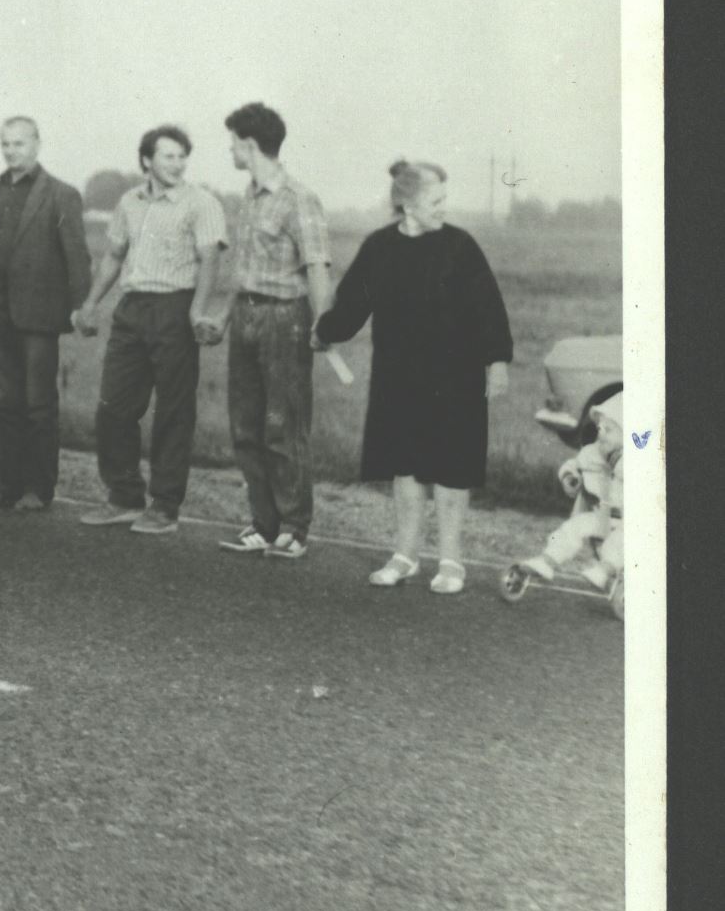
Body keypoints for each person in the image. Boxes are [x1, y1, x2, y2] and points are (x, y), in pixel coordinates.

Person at [315, 160, 513, 595]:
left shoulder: (461, 246)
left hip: (455, 375)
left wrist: (497, 361)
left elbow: (488, 310)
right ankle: (404, 556)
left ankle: (450, 561)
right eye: (435, 200)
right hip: (398, 376)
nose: (444, 207)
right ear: (406, 203)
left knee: (449, 469)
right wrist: (325, 331)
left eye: (445, 199)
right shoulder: (379, 247)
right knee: (404, 467)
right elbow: (351, 306)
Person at [74, 124, 231, 534]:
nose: (177, 164)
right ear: (147, 160)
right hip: (131, 309)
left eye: (182, 157)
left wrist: (197, 312)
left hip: (175, 308)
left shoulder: (202, 203)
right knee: (114, 407)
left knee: (173, 412)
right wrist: (91, 304)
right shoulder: (129, 201)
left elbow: (210, 261)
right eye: (168, 156)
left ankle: (164, 507)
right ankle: (124, 497)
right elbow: (113, 255)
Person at [218, 101, 334, 559]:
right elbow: (242, 270)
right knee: (246, 426)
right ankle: (263, 524)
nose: (229, 150)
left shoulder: (299, 199)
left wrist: (324, 324)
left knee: (283, 426)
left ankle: (293, 528)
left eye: (232, 143)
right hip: (245, 316)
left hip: (284, 320)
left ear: (249, 145)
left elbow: (318, 266)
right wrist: (225, 318)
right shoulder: (247, 197)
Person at [0, 117, 90, 510]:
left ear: (37, 144)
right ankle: (7, 487)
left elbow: (77, 257)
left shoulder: (61, 194)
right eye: (6, 144)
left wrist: (82, 307)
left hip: (38, 317)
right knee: (5, 404)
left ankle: (38, 489)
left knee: (38, 405)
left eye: (19, 143)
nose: (12, 151)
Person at [504, 391, 628, 617]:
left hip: (632, 522)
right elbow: (575, 463)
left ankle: (605, 570)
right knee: (574, 527)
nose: (601, 433)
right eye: (600, 428)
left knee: (620, 542)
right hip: (602, 515)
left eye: (609, 429)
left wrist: (617, 461)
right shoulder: (593, 453)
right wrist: (570, 476)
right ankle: (546, 561)